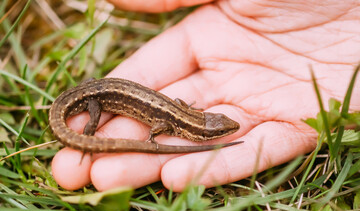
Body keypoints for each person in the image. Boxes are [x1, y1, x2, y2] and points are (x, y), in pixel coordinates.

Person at [51, 0, 360, 192]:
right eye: (218, 129)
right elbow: (160, 124)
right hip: (94, 96)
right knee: (93, 121)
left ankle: (88, 139)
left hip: (98, 89)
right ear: (198, 131)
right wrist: (149, 142)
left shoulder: (174, 118)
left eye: (220, 127)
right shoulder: (169, 123)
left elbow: (174, 112)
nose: (225, 128)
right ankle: (87, 139)